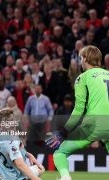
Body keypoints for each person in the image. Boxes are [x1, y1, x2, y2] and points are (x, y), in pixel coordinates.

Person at [46, 45, 109, 180]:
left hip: (94, 124)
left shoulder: (82, 77)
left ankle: (65, 178)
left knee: (60, 153)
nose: (81, 61)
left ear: (85, 59)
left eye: (81, 58)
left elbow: (79, 109)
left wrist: (64, 132)